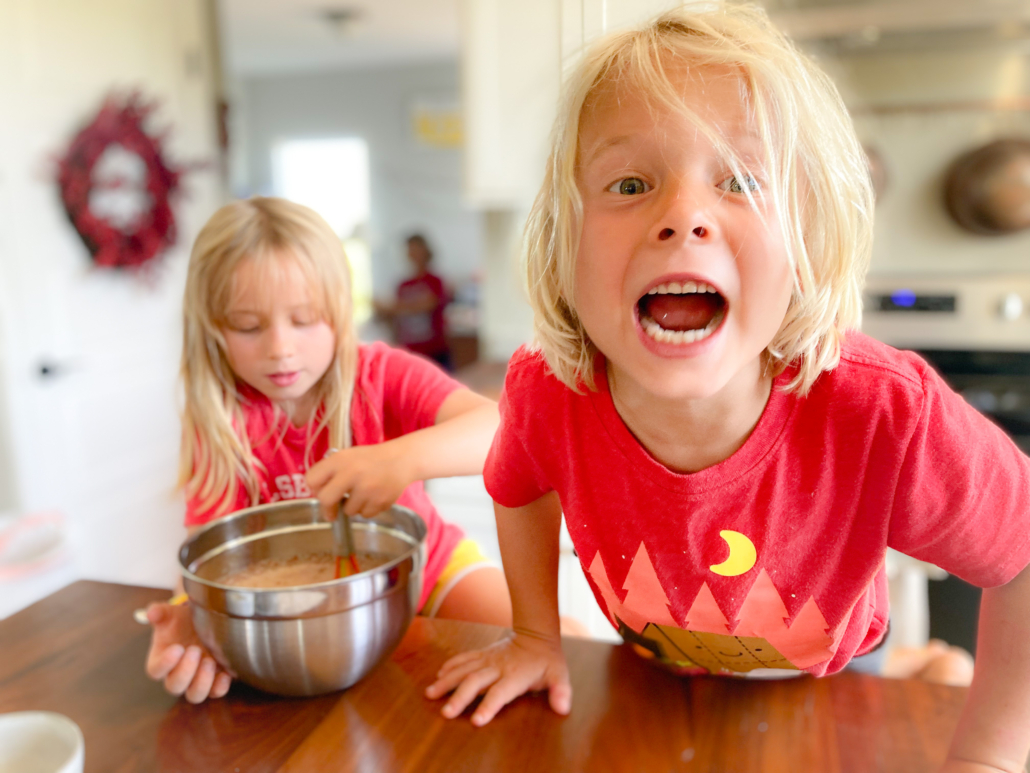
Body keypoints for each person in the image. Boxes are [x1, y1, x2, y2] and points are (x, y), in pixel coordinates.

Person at [425, 5, 1030, 769]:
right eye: (631, 181)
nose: (682, 216)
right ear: (565, 241)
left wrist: (988, 758)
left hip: (838, 674)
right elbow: (517, 489)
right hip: (659, 674)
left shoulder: (887, 412)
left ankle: (928, 661)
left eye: (741, 180)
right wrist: (536, 636)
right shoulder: (547, 390)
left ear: (807, 243)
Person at [144, 197, 512, 703]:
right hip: (297, 614)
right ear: (212, 328)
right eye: (249, 327)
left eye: (304, 319)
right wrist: (190, 617)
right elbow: (215, 555)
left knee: (560, 639)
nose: (280, 348)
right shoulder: (220, 420)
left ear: (340, 313)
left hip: (429, 572)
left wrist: (400, 459)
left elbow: (499, 428)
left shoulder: (381, 376)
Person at [376, 234, 452, 370]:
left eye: (416, 249)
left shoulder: (435, 281)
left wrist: (391, 307)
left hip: (434, 350)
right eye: (410, 249)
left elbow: (428, 305)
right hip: (409, 351)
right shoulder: (403, 285)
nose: (413, 253)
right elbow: (395, 320)